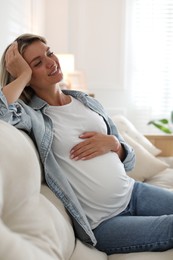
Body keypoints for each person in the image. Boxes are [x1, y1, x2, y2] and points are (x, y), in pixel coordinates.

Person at [0, 33, 173, 255]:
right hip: (104, 224)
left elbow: (129, 161)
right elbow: (2, 112)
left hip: (133, 193)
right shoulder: (33, 117)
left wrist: (114, 145)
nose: (51, 62)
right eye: (38, 63)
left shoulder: (86, 101)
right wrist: (22, 77)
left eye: (49, 52)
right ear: (25, 74)